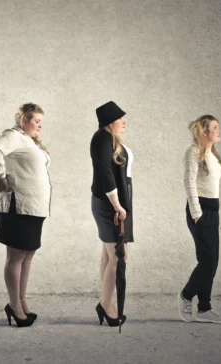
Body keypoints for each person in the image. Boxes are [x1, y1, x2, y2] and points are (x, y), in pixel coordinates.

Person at [0, 102, 51, 328]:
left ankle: (22, 301)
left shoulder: (29, 141)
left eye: (41, 122)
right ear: (24, 121)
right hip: (19, 205)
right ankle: (14, 305)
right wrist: (1, 177)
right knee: (16, 257)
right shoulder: (13, 135)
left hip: (34, 207)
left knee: (28, 255)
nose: (40, 126)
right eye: (36, 121)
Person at [178, 115, 221, 324]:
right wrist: (197, 213)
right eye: (215, 127)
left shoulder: (212, 153)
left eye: (219, 127)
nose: (219, 131)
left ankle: (204, 309)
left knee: (212, 262)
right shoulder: (194, 152)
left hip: (212, 210)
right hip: (200, 210)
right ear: (204, 131)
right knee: (207, 263)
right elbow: (189, 182)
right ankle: (186, 296)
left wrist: (213, 214)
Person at [90, 101, 133, 327]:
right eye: (120, 119)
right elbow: (105, 173)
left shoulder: (110, 140)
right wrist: (117, 204)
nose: (124, 122)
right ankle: (106, 305)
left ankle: (106, 303)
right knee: (119, 256)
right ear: (109, 122)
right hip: (110, 204)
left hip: (115, 203)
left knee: (109, 256)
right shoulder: (101, 139)